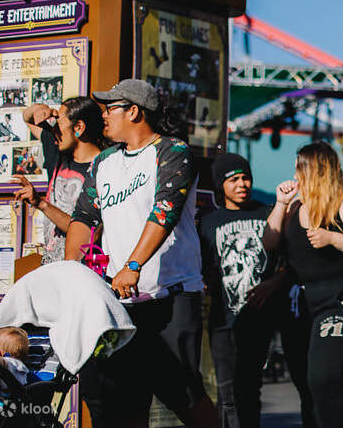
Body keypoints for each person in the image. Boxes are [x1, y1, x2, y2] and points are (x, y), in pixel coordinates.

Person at [67, 79, 216, 428]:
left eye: (109, 109)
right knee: (124, 398)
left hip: (172, 292)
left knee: (182, 392)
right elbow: (84, 218)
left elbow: (165, 210)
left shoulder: (172, 151)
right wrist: (71, 271)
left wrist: (133, 264)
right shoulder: (103, 162)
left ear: (134, 111)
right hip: (121, 301)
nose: (102, 117)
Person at [263, 141, 343, 428]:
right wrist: (280, 204)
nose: (296, 174)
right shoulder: (294, 207)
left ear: (319, 170)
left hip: (340, 298)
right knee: (305, 383)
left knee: (323, 377)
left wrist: (333, 238)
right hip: (300, 301)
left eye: (301, 168)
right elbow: (269, 241)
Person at [199, 152, 315, 428]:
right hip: (224, 320)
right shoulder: (208, 223)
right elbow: (204, 269)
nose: (243, 184)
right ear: (220, 185)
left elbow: (293, 260)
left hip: (263, 317)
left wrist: (274, 282)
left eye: (246, 178)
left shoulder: (268, 213)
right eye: (234, 179)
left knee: (250, 388)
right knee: (227, 391)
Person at [14, 98, 104, 265]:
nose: (53, 128)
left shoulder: (105, 168)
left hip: (83, 273)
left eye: (58, 122)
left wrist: (42, 204)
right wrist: (42, 109)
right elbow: (27, 118)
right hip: (51, 268)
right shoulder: (57, 149)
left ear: (78, 127)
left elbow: (90, 233)